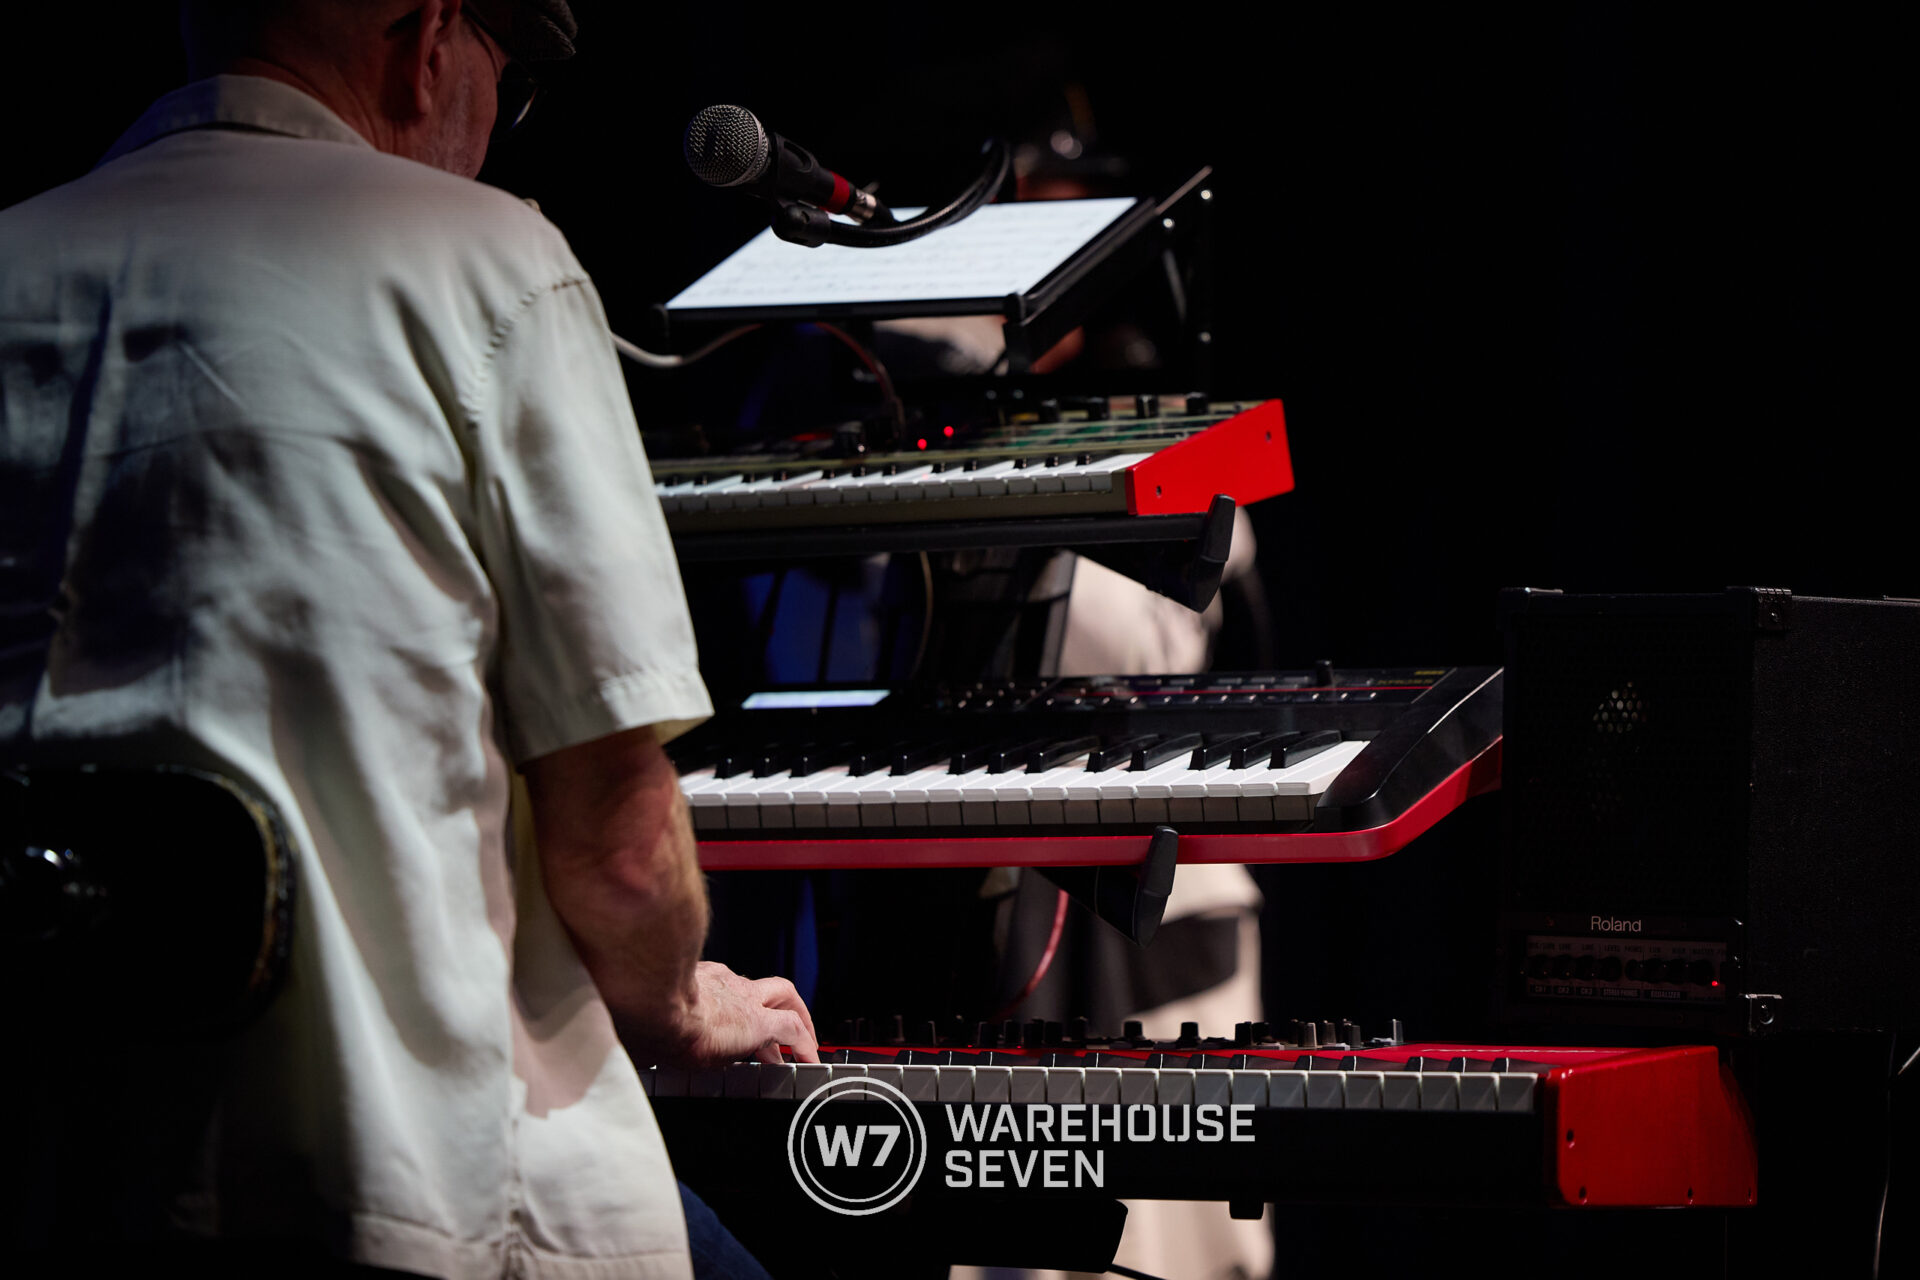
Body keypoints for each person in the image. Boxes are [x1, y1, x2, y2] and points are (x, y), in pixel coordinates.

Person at [0, 2, 814, 1276]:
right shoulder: (488, 258)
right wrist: (680, 1003)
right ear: (430, 40)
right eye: (507, 83)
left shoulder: (16, 260)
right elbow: (614, 836)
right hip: (410, 1187)